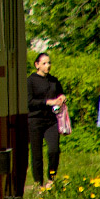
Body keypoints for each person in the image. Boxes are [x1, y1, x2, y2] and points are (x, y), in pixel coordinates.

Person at [26, 52, 65, 189]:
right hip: (35, 120)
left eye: (49, 63)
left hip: (51, 120)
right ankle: (38, 183)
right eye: (44, 63)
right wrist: (47, 102)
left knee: (54, 150)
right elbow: (29, 102)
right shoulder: (30, 81)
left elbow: (60, 93)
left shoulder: (54, 80)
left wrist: (61, 98)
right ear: (37, 65)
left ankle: (51, 178)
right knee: (36, 154)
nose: (47, 66)